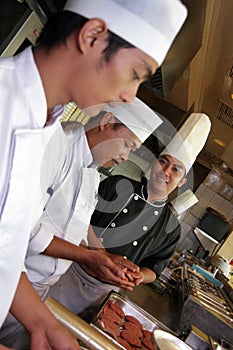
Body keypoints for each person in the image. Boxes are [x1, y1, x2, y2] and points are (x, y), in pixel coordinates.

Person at [0, 0, 187, 348]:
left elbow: (4, 251)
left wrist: (44, 326)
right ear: (92, 36)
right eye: (136, 74)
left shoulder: (45, 123)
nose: (130, 96)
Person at [0, 100, 162, 349]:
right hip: (14, 281)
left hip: (42, 289)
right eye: (128, 145)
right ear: (107, 122)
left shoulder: (92, 173)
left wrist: (106, 257)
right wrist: (88, 258)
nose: (125, 156)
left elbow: (79, 228)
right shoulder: (58, 148)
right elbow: (28, 232)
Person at [44, 113, 211, 316]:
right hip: (71, 268)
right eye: (163, 161)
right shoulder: (117, 184)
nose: (165, 171)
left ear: (182, 182)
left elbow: (154, 269)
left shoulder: (171, 228)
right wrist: (101, 255)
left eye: (175, 169)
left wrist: (138, 275)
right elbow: (80, 218)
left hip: (105, 292)